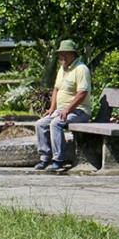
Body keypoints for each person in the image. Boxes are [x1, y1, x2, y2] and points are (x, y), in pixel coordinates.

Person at [34, 40, 91, 171]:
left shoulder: (81, 69)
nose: (62, 57)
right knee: (40, 123)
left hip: (79, 111)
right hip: (61, 109)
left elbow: (82, 93)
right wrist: (52, 108)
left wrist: (67, 109)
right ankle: (45, 158)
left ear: (74, 55)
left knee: (55, 123)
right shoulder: (62, 69)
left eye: (66, 54)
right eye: (60, 54)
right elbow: (56, 89)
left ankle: (59, 159)